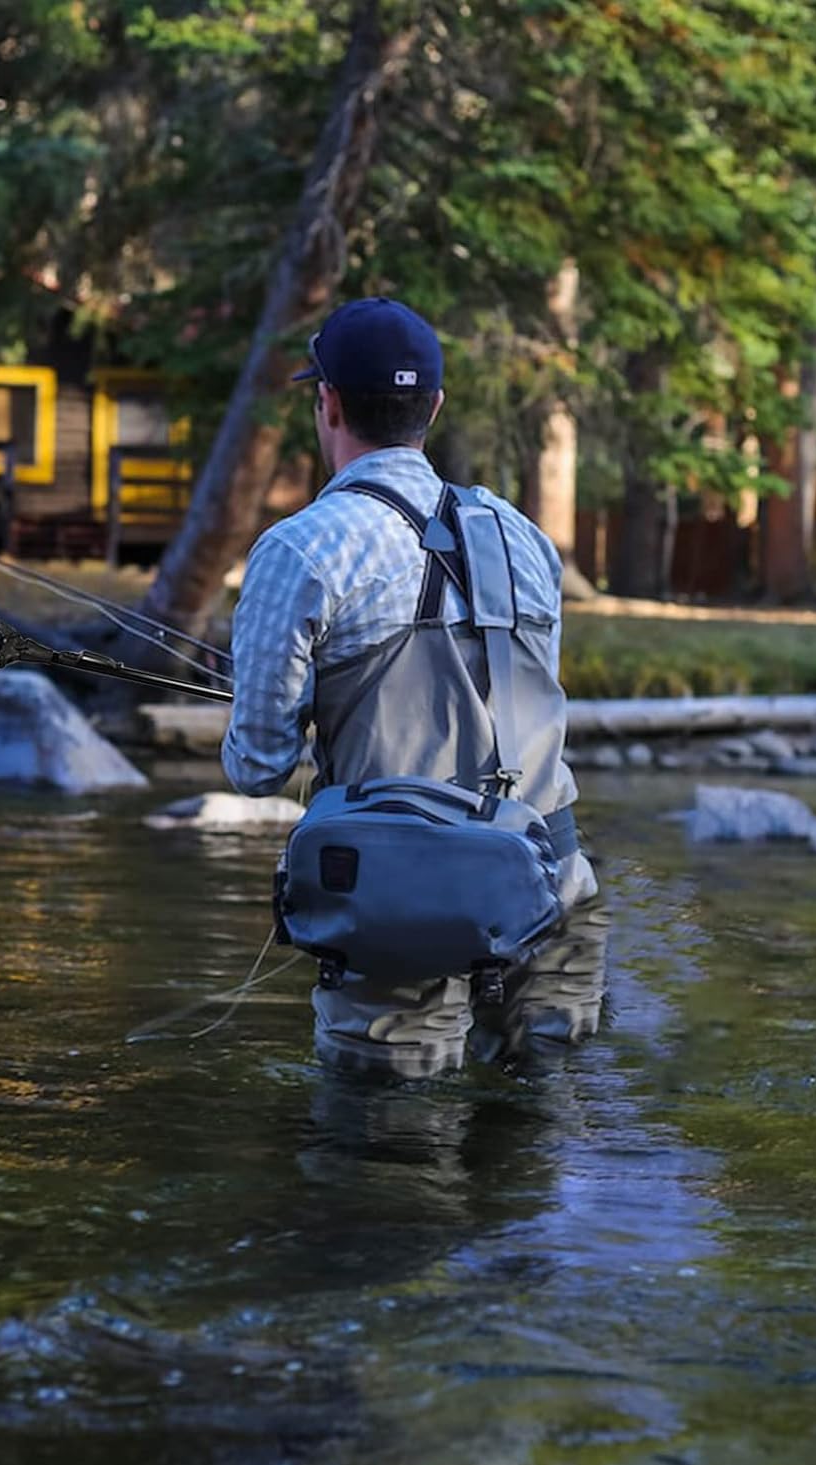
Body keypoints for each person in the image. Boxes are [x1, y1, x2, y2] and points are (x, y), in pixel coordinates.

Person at [222, 297, 606, 1076]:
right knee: (534, 1139)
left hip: (400, 907)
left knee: (387, 1160)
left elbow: (257, 766)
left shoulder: (299, 549)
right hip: (549, 885)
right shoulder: (524, 536)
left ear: (325, 402)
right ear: (434, 404)